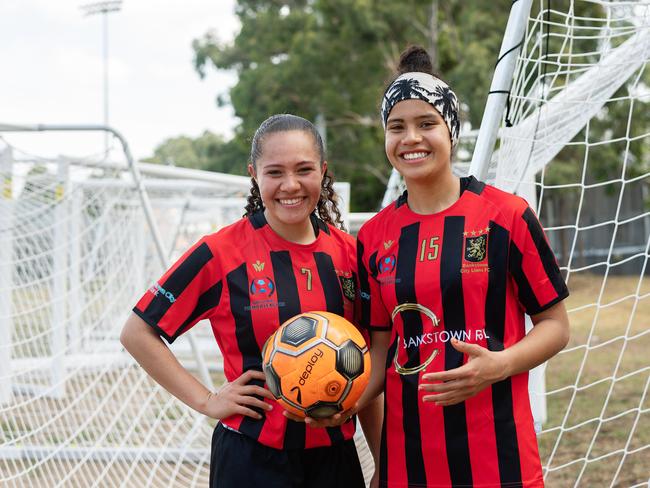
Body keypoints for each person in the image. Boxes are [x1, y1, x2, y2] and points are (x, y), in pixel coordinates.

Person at [355, 46, 570, 487]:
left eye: (426, 123)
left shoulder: (507, 216)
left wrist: (501, 364)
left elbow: (555, 325)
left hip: (500, 459)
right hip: (409, 463)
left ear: (451, 130)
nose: (410, 138)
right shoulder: (374, 236)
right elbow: (379, 350)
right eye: (397, 127)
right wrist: (336, 396)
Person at [120, 114, 371, 488]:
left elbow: (368, 357)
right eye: (275, 172)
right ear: (254, 173)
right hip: (251, 459)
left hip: (334, 460)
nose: (290, 185)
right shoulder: (221, 253)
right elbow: (137, 333)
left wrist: (379, 455)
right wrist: (207, 401)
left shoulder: (350, 254)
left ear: (323, 170)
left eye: (304, 169)